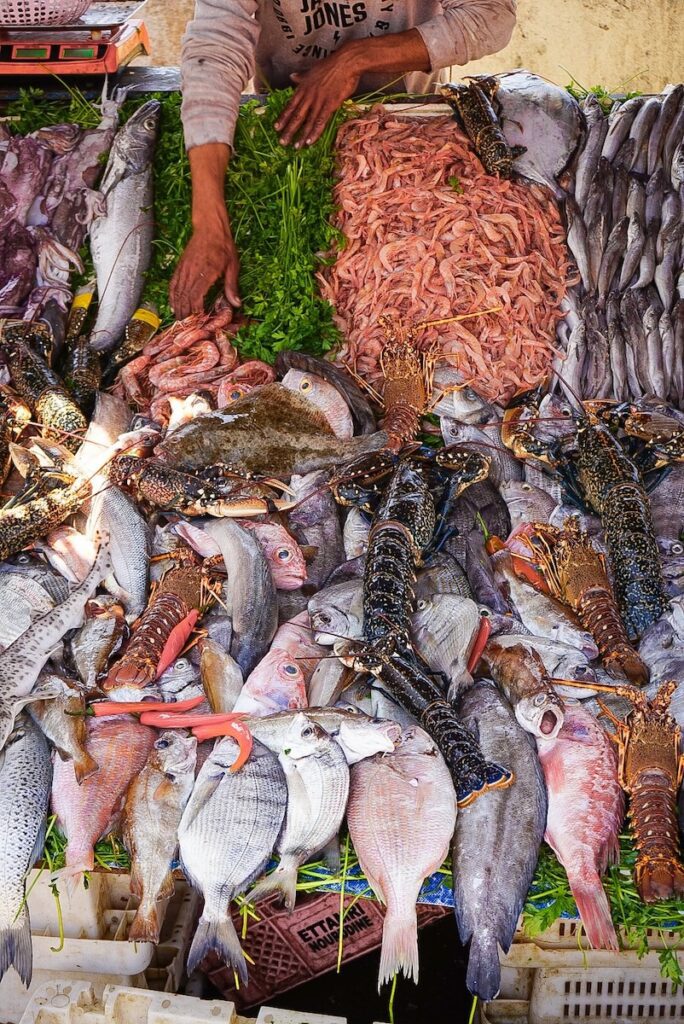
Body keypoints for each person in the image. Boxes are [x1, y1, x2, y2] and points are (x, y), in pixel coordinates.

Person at [170, 0, 517, 318]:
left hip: (407, 111)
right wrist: (208, 218)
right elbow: (216, 44)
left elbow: (491, 14)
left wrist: (356, 58)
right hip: (292, 112)